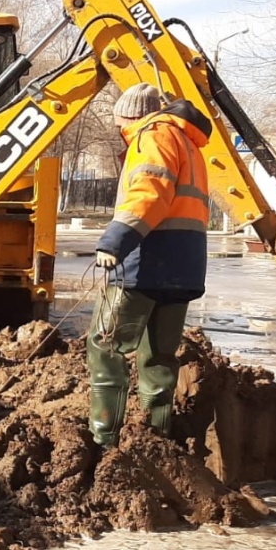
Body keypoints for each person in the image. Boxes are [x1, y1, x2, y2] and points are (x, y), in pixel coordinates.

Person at [87, 83, 212, 449]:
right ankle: (157, 441)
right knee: (158, 357)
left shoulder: (151, 136)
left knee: (106, 346)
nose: (118, 131)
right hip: (183, 267)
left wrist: (115, 241)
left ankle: (103, 440)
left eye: (119, 122)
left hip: (144, 263)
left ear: (130, 115)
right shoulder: (188, 142)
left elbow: (150, 193)